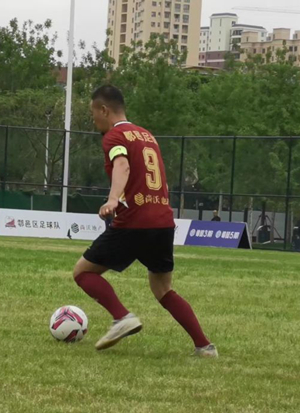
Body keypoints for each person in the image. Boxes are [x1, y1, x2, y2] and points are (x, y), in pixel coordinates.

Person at [72, 85, 217, 357]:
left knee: (82, 272)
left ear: (104, 110)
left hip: (135, 220)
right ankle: (204, 346)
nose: (94, 121)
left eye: (93, 114)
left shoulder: (114, 136)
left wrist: (113, 199)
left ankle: (122, 317)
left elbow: (123, 165)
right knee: (163, 288)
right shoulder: (147, 136)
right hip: (163, 221)